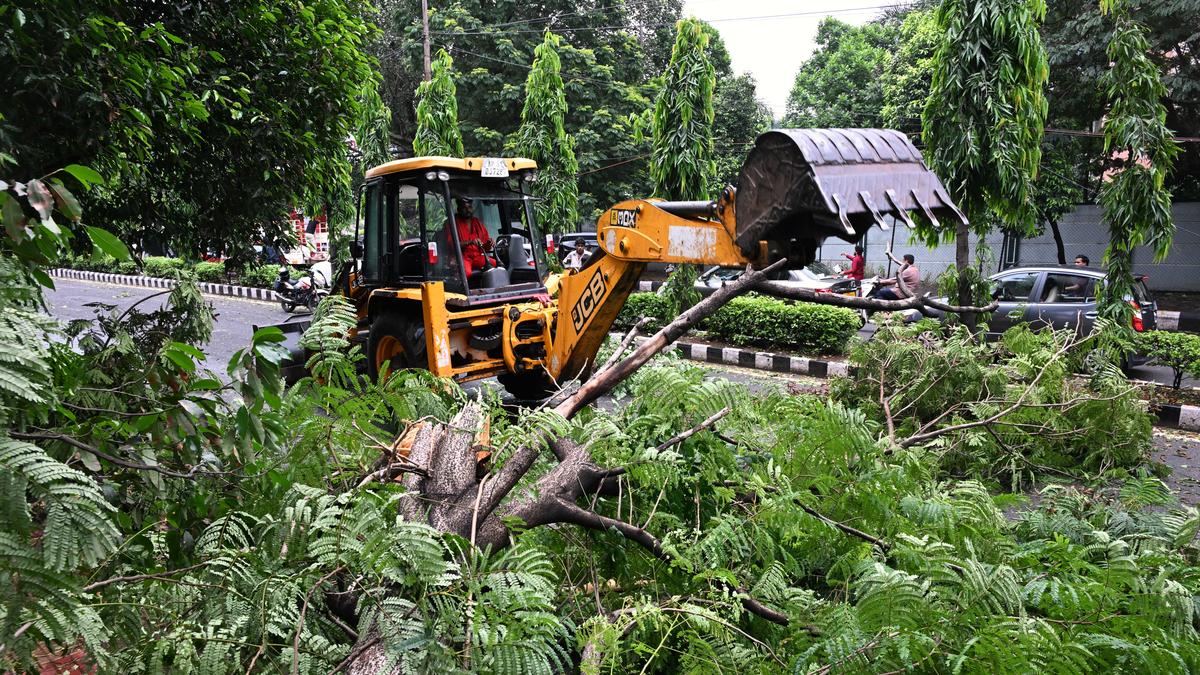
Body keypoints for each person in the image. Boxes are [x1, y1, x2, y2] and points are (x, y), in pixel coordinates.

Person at [453, 198, 492, 276]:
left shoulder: (477, 222)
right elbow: (452, 245)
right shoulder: (452, 223)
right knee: (465, 272)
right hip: (462, 258)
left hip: (477, 257)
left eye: (469, 207)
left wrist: (489, 243)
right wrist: (470, 242)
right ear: (459, 209)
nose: (468, 210)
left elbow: (485, 247)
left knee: (495, 265)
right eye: (465, 208)